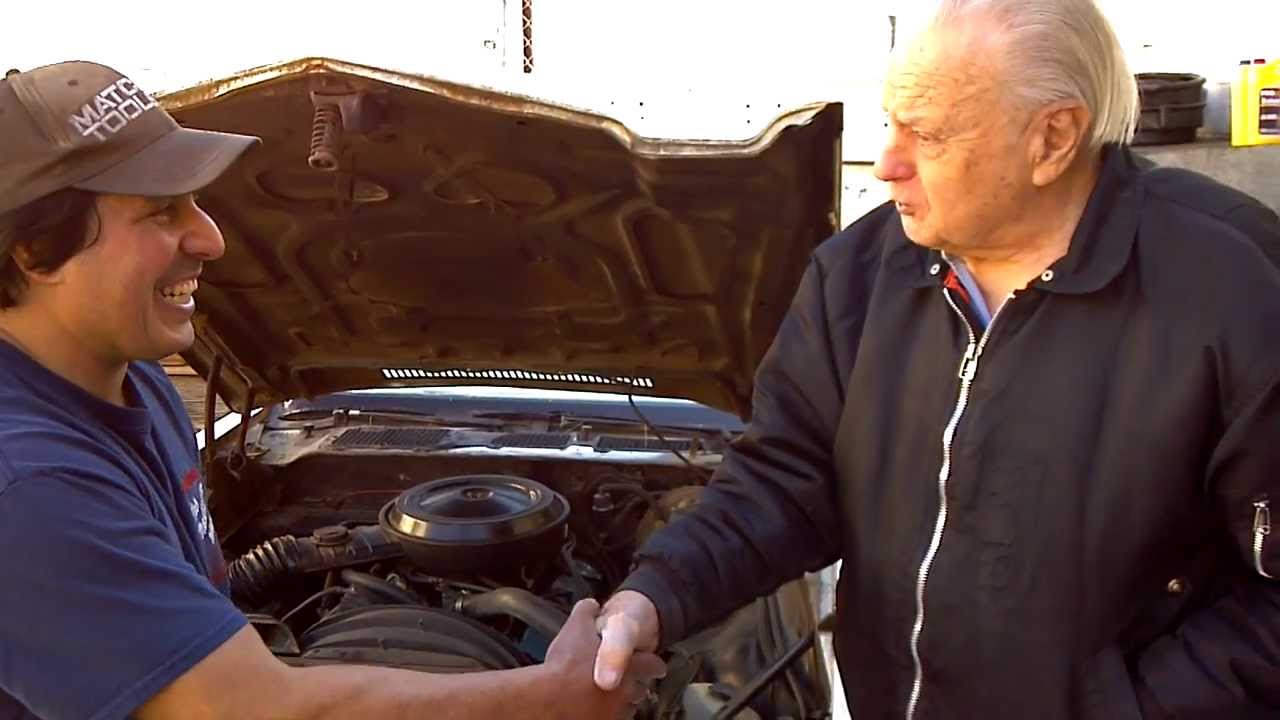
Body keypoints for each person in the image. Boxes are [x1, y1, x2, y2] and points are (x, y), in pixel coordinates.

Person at [590, 1, 1280, 718]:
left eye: (928, 135)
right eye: (891, 123)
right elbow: (784, 480)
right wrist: (655, 596)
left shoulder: (1235, 287)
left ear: (1053, 138)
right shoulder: (857, 275)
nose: (887, 163)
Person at [0, 60, 663, 720]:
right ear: (34, 251)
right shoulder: (28, 487)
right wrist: (546, 700)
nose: (211, 238)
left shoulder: (127, 372)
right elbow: (249, 712)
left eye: (197, 202)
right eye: (160, 212)